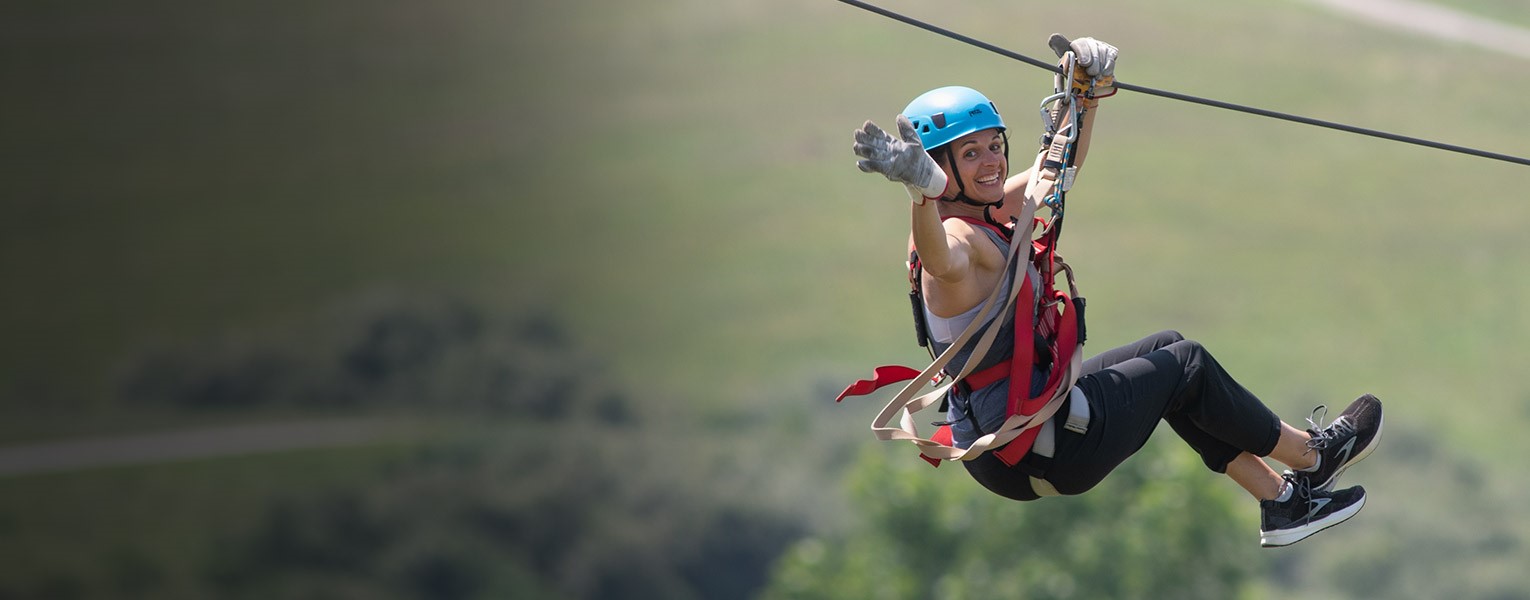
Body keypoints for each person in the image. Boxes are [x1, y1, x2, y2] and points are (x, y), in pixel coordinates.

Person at [849, 36, 1383, 547]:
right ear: (938, 168)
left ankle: (1283, 502)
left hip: (1019, 435)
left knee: (1168, 350)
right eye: (970, 154)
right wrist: (920, 193)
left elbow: (1055, 170)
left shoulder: (978, 212)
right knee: (1189, 364)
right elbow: (942, 261)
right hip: (1038, 444)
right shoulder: (956, 240)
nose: (991, 162)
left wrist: (1084, 94)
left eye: (994, 146)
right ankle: (1313, 457)